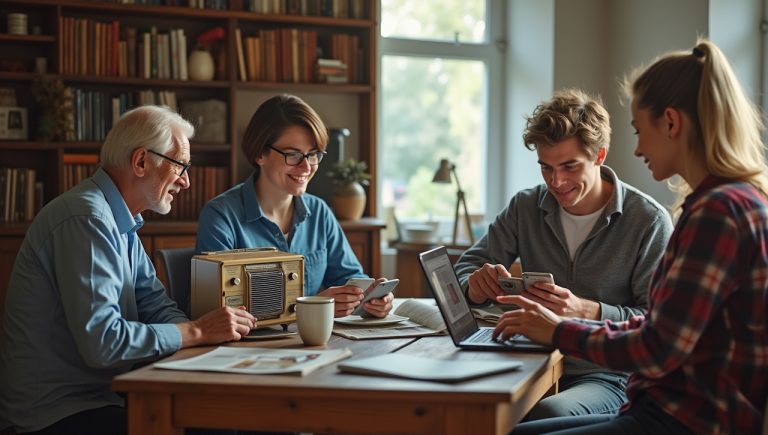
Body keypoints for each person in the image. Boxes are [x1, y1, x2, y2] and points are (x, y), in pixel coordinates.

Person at [499, 39, 768, 434]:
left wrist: (559, 329)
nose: (638, 149)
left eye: (640, 130)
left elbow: (657, 349)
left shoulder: (717, 213)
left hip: (688, 421)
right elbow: (662, 330)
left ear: (672, 123)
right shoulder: (728, 202)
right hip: (666, 410)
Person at [0, 106, 258, 435]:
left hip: (104, 398)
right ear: (140, 162)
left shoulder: (121, 222)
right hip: (55, 415)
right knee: (217, 424)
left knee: (226, 417)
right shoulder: (88, 219)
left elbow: (155, 304)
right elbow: (104, 343)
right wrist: (196, 332)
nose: (187, 181)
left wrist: (201, 337)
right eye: (180, 166)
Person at [454, 88, 674, 419]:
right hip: (528, 361)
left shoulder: (649, 221)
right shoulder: (524, 206)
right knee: (465, 409)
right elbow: (465, 266)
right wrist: (474, 284)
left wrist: (587, 310)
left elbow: (657, 324)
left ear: (600, 155)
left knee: (545, 415)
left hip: (605, 374)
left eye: (570, 166)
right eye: (546, 167)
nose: (557, 182)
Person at [196, 94, 393, 318]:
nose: (306, 167)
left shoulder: (320, 213)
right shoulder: (221, 216)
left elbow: (350, 282)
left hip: (312, 345)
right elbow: (220, 313)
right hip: (245, 349)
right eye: (293, 155)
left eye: (313, 155)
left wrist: (371, 298)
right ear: (260, 153)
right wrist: (311, 306)